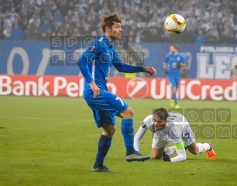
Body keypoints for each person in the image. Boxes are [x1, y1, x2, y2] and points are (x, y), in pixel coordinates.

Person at [77, 13, 157, 173]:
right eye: (117, 27)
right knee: (128, 112)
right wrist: (92, 83)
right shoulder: (98, 44)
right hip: (95, 91)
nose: (121, 30)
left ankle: (98, 165)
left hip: (98, 92)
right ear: (108, 29)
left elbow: (120, 66)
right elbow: (81, 61)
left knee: (109, 130)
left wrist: (142, 68)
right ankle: (130, 151)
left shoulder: (110, 47)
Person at [134, 108, 216, 162]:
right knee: (155, 156)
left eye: (159, 121)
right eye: (155, 120)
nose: (155, 123)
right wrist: (136, 154)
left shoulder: (174, 130)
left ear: (166, 121)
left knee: (194, 150)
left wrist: (170, 160)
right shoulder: (148, 121)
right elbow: (137, 138)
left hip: (183, 126)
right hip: (162, 132)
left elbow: (183, 156)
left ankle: (208, 146)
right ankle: (180, 146)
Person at [163, 45, 187, 109]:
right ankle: (177, 104)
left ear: (175, 49)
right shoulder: (168, 56)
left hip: (178, 75)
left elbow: (185, 64)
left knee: (175, 90)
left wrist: (181, 65)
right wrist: (165, 69)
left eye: (171, 48)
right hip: (170, 75)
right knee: (173, 88)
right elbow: (164, 62)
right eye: (170, 48)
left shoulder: (180, 56)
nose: (170, 49)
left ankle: (172, 98)